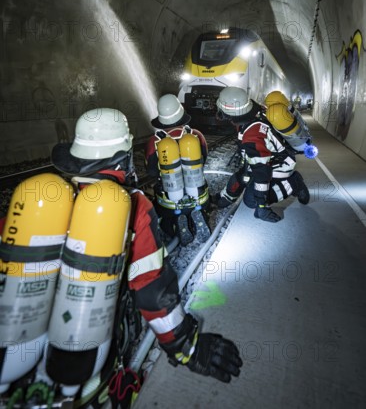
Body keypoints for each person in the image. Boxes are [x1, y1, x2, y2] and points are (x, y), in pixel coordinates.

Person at [47, 108, 242, 406]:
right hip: (90, 344)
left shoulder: (46, 200)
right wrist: (185, 346)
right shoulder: (132, 206)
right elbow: (152, 290)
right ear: (123, 155)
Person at [214, 87, 310, 222]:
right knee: (241, 177)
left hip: (279, 164)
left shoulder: (252, 137)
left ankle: (295, 183)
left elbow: (261, 172)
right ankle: (224, 198)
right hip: (267, 156)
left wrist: (261, 206)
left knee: (251, 200)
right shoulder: (254, 111)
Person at [145, 94, 211, 245]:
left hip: (169, 198)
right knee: (201, 204)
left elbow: (152, 172)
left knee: (165, 220)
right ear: (181, 112)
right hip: (198, 193)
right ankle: (200, 216)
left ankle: (175, 225)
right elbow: (203, 159)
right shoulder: (196, 135)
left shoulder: (154, 141)